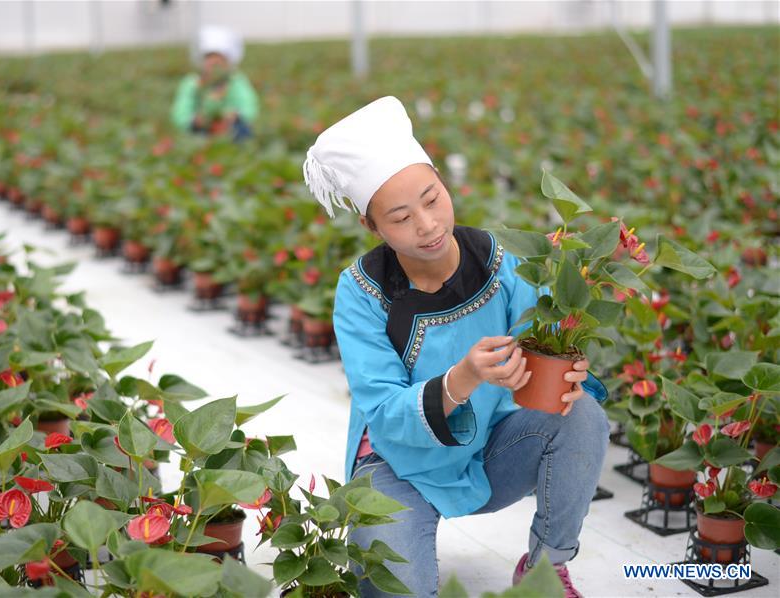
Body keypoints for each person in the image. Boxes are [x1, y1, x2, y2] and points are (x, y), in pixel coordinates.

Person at [302, 96, 609, 598]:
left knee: (582, 415)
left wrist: (570, 369)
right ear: (372, 227)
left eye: (431, 197)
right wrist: (461, 378)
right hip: (397, 466)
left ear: (444, 182)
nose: (426, 224)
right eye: (400, 217)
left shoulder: (502, 260)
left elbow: (551, 334)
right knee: (391, 587)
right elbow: (381, 410)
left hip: (489, 447)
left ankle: (546, 570)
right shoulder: (360, 291)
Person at [170, 25, 258, 141]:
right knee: (192, 139)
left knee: (243, 132)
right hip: (201, 129)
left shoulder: (236, 81)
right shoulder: (192, 83)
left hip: (229, 128)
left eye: (220, 58)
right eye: (210, 57)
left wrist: (236, 115)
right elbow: (181, 109)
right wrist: (193, 120)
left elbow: (248, 104)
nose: (214, 63)